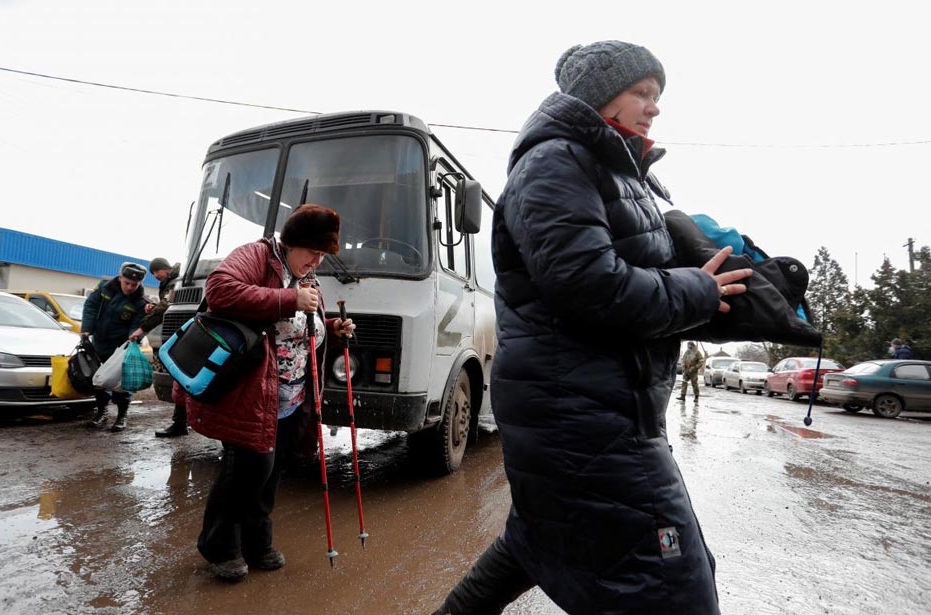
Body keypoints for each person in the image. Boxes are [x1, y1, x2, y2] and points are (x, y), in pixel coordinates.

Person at [432, 41, 753, 615]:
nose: (654, 108)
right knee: (675, 587)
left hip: (601, 410)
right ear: (601, 95)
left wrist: (715, 288)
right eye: (643, 93)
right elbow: (587, 283)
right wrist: (696, 291)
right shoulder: (556, 160)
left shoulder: (618, 174)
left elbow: (629, 278)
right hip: (583, 418)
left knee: (534, 542)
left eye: (658, 96)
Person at [186, 204, 355, 582]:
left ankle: (257, 543)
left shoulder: (307, 278)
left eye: (322, 257)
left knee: (270, 473)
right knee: (243, 472)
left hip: (289, 397)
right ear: (292, 243)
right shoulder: (257, 255)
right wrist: (288, 299)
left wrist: (331, 325)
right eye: (312, 253)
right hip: (250, 392)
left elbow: (296, 324)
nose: (316, 262)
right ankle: (219, 548)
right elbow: (220, 289)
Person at [81, 262, 150, 432]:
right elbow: (91, 306)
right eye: (127, 282)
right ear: (120, 278)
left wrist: (134, 338)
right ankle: (101, 412)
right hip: (100, 341)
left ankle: (121, 416)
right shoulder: (105, 288)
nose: (130, 287)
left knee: (121, 383)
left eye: (135, 284)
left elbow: (139, 325)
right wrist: (86, 329)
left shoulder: (141, 302)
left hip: (120, 346)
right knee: (98, 378)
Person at [129, 257, 190, 438]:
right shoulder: (174, 280)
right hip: (180, 335)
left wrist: (142, 327)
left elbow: (166, 306)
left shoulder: (179, 281)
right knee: (182, 381)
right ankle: (181, 422)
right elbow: (166, 305)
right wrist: (153, 307)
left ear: (165, 268)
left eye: (156, 272)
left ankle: (181, 423)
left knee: (183, 380)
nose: (155, 276)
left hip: (183, 336)